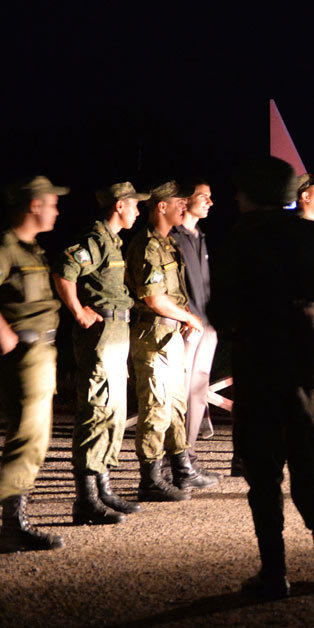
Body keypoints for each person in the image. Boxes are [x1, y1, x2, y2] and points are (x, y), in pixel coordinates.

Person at [209, 157, 314, 598]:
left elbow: (220, 311)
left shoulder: (239, 238)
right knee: (311, 466)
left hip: (258, 364)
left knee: (263, 476)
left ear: (254, 192)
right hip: (305, 365)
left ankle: (275, 573)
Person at [0, 176, 69, 552]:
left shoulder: (33, 250)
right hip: (25, 355)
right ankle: (9, 523)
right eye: (51, 203)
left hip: (43, 352)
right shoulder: (5, 247)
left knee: (35, 439)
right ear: (34, 205)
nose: (56, 210)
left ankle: (12, 521)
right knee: (27, 438)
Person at [55, 181, 149, 526]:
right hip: (102, 333)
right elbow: (64, 271)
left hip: (117, 330)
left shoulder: (112, 242)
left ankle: (103, 486)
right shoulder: (95, 240)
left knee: (113, 410)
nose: (138, 211)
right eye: (134, 205)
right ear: (120, 205)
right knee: (96, 410)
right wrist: (78, 311)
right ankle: (86, 499)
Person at [125, 181, 211, 501]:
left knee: (175, 405)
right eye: (179, 202)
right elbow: (153, 298)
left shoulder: (166, 244)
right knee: (156, 408)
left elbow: (173, 294)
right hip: (154, 335)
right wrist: (188, 317)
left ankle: (181, 470)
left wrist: (184, 314)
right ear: (161, 206)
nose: (185, 207)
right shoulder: (147, 246)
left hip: (170, 333)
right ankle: (149, 479)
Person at [171, 178, 217, 448]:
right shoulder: (173, 237)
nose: (210, 202)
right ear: (186, 200)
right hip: (186, 326)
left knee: (199, 392)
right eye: (204, 196)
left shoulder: (200, 237)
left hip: (206, 325)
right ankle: (174, 458)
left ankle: (188, 455)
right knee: (180, 392)